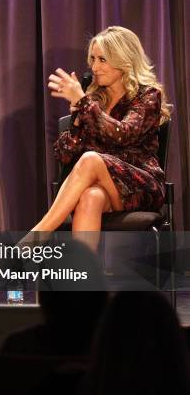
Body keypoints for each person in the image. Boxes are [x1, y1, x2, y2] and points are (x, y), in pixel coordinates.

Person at [30, 26, 170, 252]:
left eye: (102, 60)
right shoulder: (94, 100)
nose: (94, 67)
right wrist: (77, 118)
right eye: (93, 59)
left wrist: (85, 104)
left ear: (124, 60)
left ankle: (34, 239)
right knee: (90, 196)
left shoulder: (148, 96)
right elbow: (63, 155)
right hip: (105, 188)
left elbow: (123, 134)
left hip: (140, 186)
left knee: (90, 159)